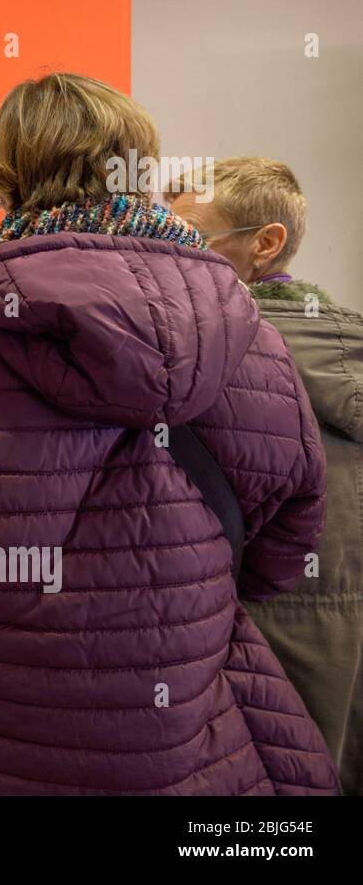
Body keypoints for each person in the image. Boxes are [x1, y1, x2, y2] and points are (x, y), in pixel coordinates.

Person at [0, 73, 339, 795]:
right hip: (189, 745)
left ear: (2, 185)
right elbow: (282, 559)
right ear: (139, 174)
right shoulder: (256, 349)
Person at [169, 157, 362, 794]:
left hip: (256, 648)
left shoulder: (210, 369)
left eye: (189, 237)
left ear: (266, 243)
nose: (170, 257)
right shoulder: (345, 356)